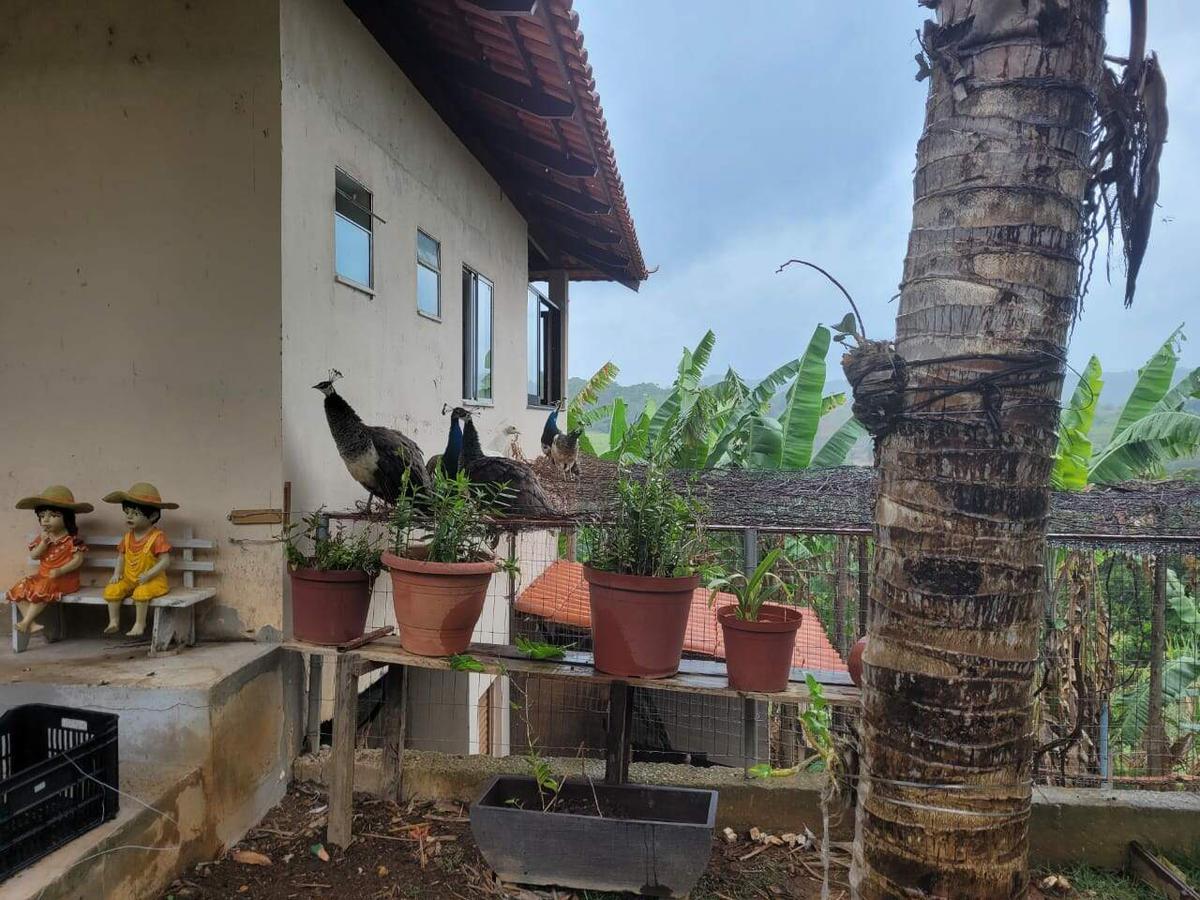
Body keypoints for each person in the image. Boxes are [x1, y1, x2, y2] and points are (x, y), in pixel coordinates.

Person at [6, 485, 92, 635]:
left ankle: (25, 622)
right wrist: (43, 544)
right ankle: (31, 624)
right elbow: (34, 556)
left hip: (65, 580)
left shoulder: (72, 541)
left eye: (52, 516)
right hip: (43, 577)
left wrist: (60, 570)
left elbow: (78, 560)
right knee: (21, 586)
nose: (45, 520)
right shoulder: (43, 539)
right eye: (42, 516)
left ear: (67, 517)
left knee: (43, 587)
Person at [102, 483, 178, 637]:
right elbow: (121, 557)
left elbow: (165, 561)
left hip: (153, 581)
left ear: (153, 516)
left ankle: (139, 624)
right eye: (127, 512)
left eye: (135, 513)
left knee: (141, 592)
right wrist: (117, 573)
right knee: (112, 589)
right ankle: (114, 622)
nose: (129, 517)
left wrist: (149, 575)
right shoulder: (127, 537)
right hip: (129, 579)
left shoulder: (157, 537)